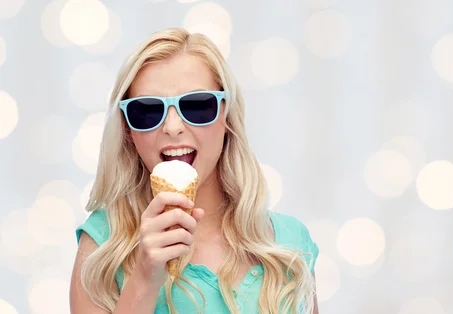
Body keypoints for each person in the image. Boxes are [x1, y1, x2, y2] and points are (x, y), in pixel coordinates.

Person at [69, 27, 319, 314]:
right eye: (147, 110)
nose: (173, 127)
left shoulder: (289, 245)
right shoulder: (102, 244)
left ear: (226, 117)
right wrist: (144, 278)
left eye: (197, 106)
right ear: (128, 130)